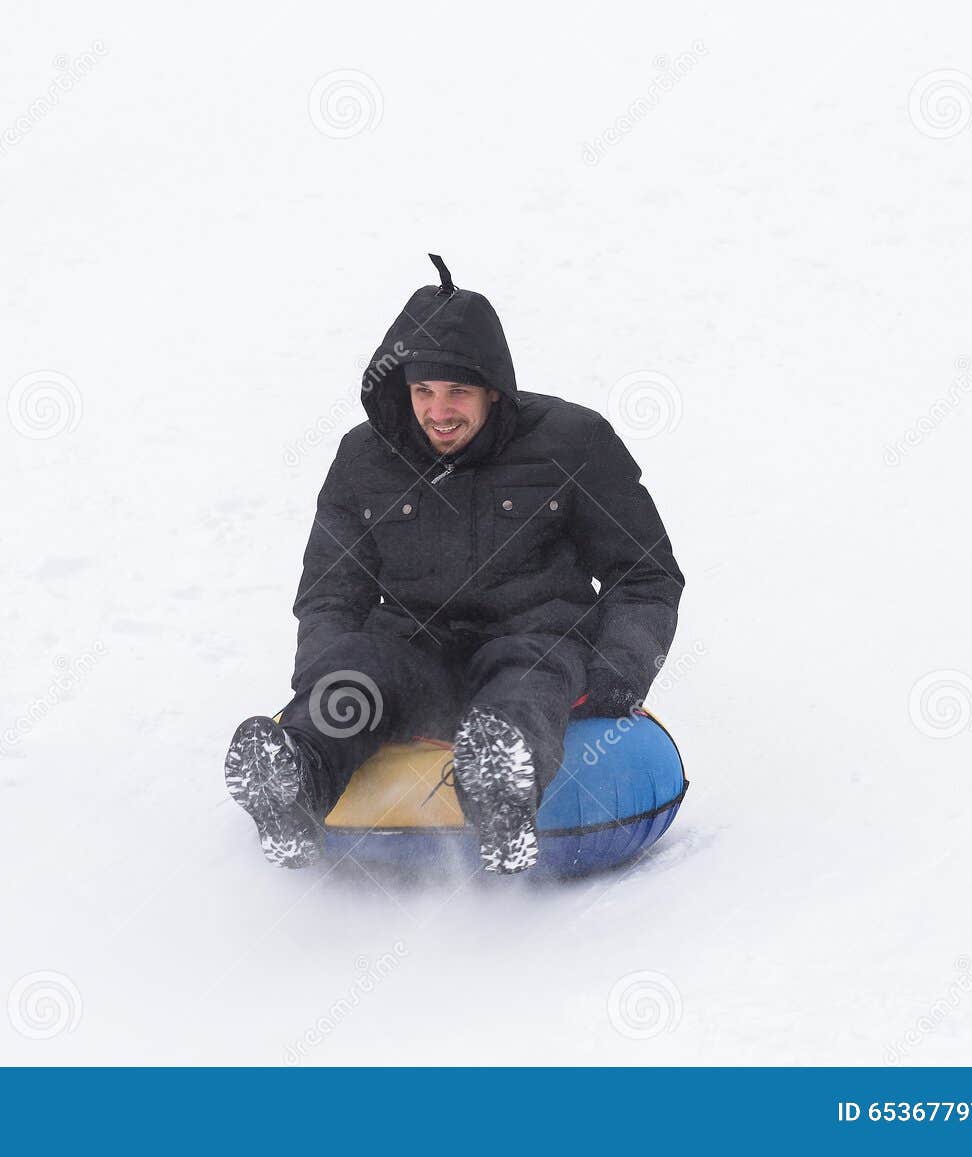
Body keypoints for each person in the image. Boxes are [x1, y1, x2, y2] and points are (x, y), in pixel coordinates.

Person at [225, 254, 684, 874]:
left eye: (458, 393)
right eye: (423, 392)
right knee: (357, 674)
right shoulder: (365, 458)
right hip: (412, 651)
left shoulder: (573, 443)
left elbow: (645, 575)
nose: (439, 412)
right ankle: (294, 783)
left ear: (494, 389)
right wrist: (320, 671)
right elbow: (332, 591)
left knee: (525, 684)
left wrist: (616, 675)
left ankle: (501, 794)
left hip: (534, 642)